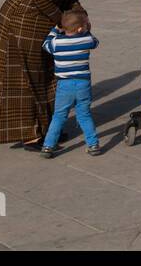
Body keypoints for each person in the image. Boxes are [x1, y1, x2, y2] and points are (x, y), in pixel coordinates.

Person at [0, 0, 90, 148]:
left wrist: (80, 14)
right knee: (28, 78)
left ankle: (47, 127)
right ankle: (31, 134)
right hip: (23, 20)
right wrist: (63, 20)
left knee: (46, 75)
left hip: (39, 21)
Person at [40, 8, 101, 157]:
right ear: (81, 28)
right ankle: (93, 144)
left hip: (64, 85)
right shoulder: (86, 39)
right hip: (83, 84)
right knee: (84, 114)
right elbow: (95, 42)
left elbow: (45, 44)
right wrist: (88, 31)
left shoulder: (56, 43)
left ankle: (48, 146)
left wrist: (55, 30)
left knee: (59, 115)